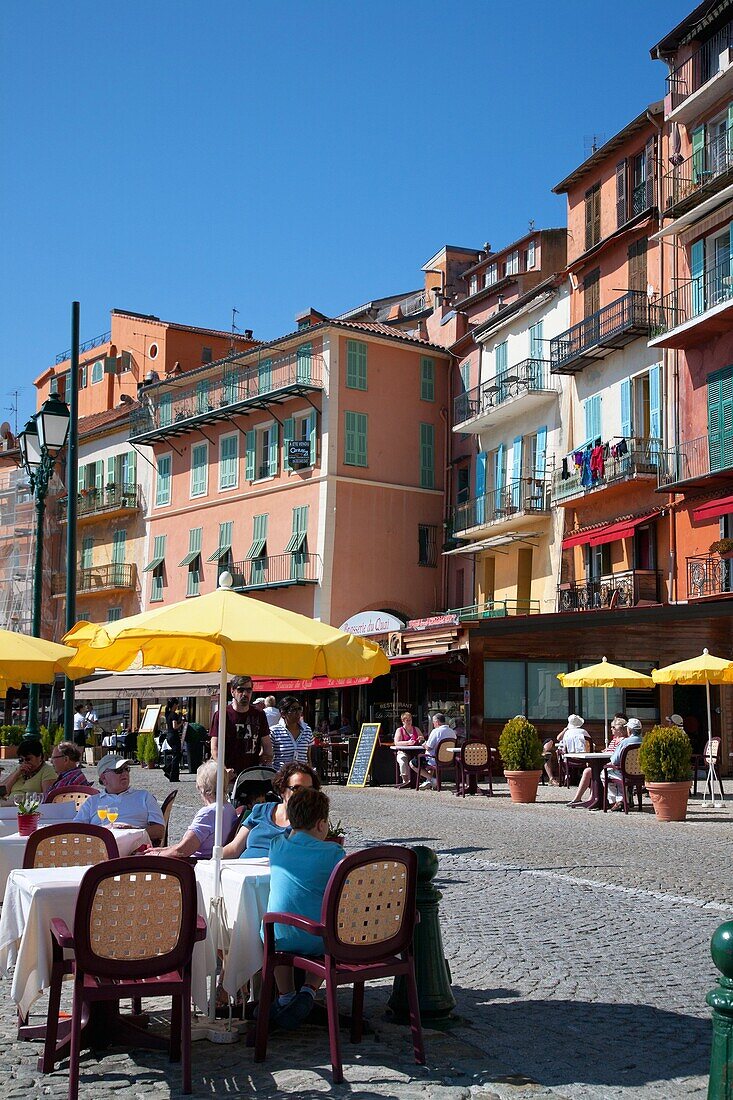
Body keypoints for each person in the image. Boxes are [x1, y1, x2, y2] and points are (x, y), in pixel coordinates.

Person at [263, 786, 345, 1029]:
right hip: (318, 939)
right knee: (327, 929)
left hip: (277, 936)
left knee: (278, 930)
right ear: (322, 824)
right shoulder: (333, 852)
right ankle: (308, 991)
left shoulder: (276, 844)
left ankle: (285, 995)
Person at [223, 761, 320, 859]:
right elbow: (234, 848)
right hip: (241, 869)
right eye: (297, 788)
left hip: (276, 872)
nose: (304, 794)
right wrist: (212, 861)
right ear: (282, 790)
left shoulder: (310, 821)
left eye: (309, 790)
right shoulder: (260, 810)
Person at [146, 761, 237, 860]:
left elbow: (182, 850)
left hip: (196, 864)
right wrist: (161, 850)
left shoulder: (209, 813)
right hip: (209, 859)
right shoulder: (230, 808)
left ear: (203, 788)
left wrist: (156, 855)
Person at [75, 754, 165, 843]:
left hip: (135, 850)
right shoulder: (92, 801)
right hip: (101, 848)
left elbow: (159, 831)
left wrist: (134, 831)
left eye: (126, 769)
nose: (124, 773)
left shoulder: (144, 796)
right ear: (103, 778)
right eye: (118, 770)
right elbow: (75, 830)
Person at [209, 675, 273, 781]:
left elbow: (267, 744)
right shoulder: (222, 715)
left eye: (248, 690)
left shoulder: (259, 714)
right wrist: (224, 770)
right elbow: (214, 748)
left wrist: (267, 758)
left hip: (253, 775)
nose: (245, 694)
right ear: (232, 691)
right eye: (240, 690)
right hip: (229, 775)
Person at [567, 716, 627, 808]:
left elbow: (616, 755)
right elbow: (608, 751)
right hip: (607, 764)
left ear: (620, 729)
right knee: (588, 771)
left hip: (614, 766)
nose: (611, 729)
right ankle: (581, 798)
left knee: (591, 771)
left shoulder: (623, 741)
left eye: (613, 727)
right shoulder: (615, 739)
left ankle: (602, 799)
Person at [604, 717, 643, 810]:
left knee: (604, 773)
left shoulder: (625, 742)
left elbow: (614, 760)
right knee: (618, 774)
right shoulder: (645, 741)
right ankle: (622, 801)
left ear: (629, 729)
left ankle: (614, 801)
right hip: (641, 773)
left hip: (625, 773)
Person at [410, 713, 455, 789]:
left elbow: (428, 747)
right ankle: (429, 782)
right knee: (427, 759)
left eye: (433, 722)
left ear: (437, 722)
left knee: (412, 763)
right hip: (449, 759)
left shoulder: (436, 731)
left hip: (435, 759)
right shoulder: (452, 732)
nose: (433, 724)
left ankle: (432, 779)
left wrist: (422, 742)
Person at [270, 697, 314, 771]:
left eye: (299, 709)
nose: (298, 713)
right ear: (283, 713)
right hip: (281, 776)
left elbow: (308, 756)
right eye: (293, 709)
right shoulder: (274, 731)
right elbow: (269, 757)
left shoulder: (307, 730)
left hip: (301, 776)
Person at [393, 711, 424, 788]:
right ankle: (405, 781)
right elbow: (396, 743)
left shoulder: (416, 729)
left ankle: (420, 779)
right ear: (403, 721)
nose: (409, 722)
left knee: (422, 760)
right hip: (403, 751)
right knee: (403, 760)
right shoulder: (399, 730)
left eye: (410, 720)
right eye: (407, 720)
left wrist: (421, 739)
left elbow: (422, 740)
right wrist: (407, 743)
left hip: (415, 752)